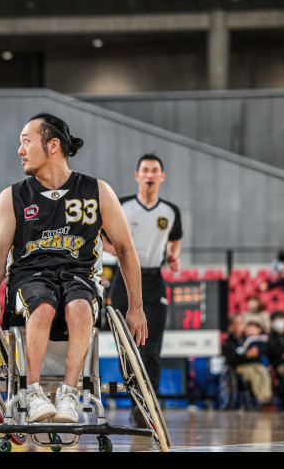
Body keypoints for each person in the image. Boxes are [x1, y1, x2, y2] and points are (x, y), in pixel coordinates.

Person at [0, 113, 147, 424]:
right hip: (30, 277)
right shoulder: (12, 196)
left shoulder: (97, 191)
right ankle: (33, 392)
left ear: (52, 145)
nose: (20, 150)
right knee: (41, 306)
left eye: (26, 141)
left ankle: (70, 393)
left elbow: (125, 248)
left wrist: (136, 305)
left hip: (77, 277)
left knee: (81, 307)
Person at [102, 153, 182, 426]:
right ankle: (135, 399)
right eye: (145, 170)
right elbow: (102, 237)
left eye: (154, 170)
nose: (149, 175)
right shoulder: (122, 206)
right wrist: (123, 254)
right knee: (129, 347)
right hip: (125, 281)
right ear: (137, 175)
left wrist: (173, 257)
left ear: (162, 176)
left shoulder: (170, 212)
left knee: (153, 346)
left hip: (154, 280)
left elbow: (175, 240)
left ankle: (149, 404)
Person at [221, 314, 273, 407]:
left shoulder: (248, 339)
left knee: (263, 371)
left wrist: (256, 353)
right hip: (240, 368)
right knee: (253, 374)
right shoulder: (228, 342)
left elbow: (260, 355)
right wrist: (245, 356)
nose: (243, 326)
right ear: (232, 327)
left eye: (242, 323)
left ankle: (267, 396)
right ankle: (262, 398)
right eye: (239, 323)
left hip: (254, 364)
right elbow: (232, 360)